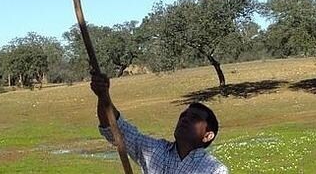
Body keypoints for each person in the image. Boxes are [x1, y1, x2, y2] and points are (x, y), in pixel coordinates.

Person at [90, 73, 228, 174]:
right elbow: (115, 128)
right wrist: (103, 96)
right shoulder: (155, 150)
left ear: (208, 136)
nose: (185, 119)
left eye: (195, 118)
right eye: (183, 115)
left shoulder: (214, 170)